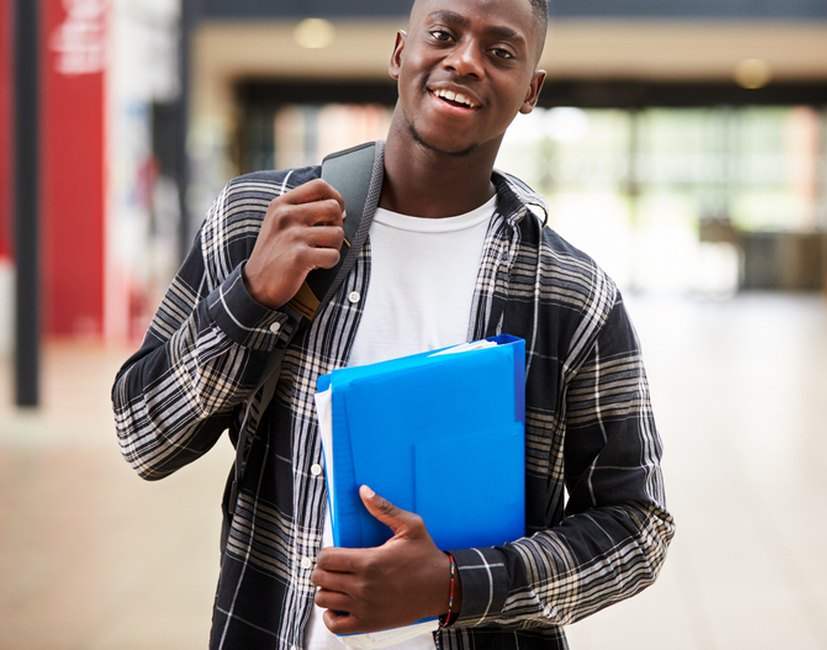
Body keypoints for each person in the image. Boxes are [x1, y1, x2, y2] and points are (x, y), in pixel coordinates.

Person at [111, 0, 674, 647]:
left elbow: (637, 528)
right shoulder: (259, 218)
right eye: (444, 34)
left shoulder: (571, 293)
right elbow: (142, 438)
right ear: (400, 51)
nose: (465, 61)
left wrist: (457, 585)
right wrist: (250, 298)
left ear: (531, 90)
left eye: (501, 51)